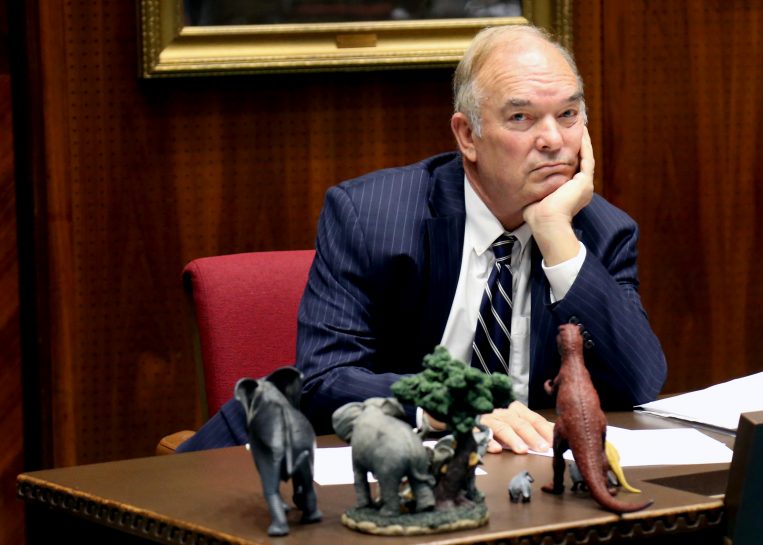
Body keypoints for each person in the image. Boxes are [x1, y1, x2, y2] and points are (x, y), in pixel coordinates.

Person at [179, 24, 666, 454]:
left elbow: (638, 383)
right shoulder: (372, 217)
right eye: (521, 118)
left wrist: (557, 236)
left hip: (505, 483)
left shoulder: (598, 232)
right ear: (468, 136)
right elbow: (325, 378)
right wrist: (446, 407)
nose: (553, 140)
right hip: (327, 461)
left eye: (568, 115)